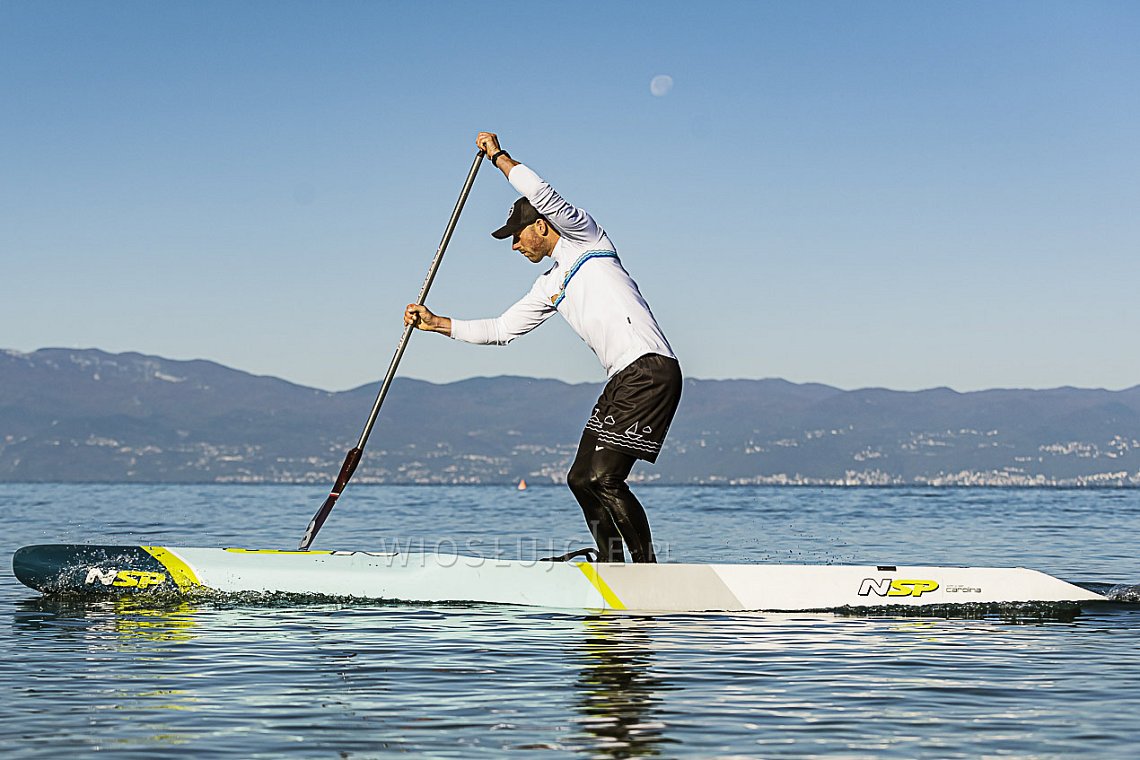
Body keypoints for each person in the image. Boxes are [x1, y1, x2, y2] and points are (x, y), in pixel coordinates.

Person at [404, 132, 682, 563]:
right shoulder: (551, 284)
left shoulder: (587, 240)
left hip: (650, 370)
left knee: (605, 479)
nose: (515, 245)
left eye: (517, 235)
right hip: (622, 378)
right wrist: (438, 323)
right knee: (579, 479)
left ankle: (647, 574)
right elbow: (501, 328)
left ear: (541, 225)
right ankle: (612, 567)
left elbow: (540, 191)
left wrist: (498, 157)